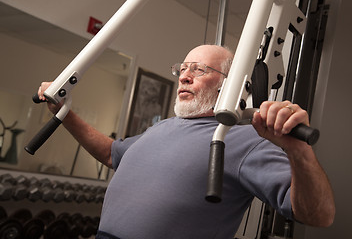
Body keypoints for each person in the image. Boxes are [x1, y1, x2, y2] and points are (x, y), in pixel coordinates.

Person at [38, 45, 335, 239]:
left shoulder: (247, 139)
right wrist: (64, 114)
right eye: (182, 69)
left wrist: (300, 153)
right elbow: (111, 154)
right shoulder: (162, 128)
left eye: (199, 69)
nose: (184, 77)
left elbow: (318, 215)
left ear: (230, 85)